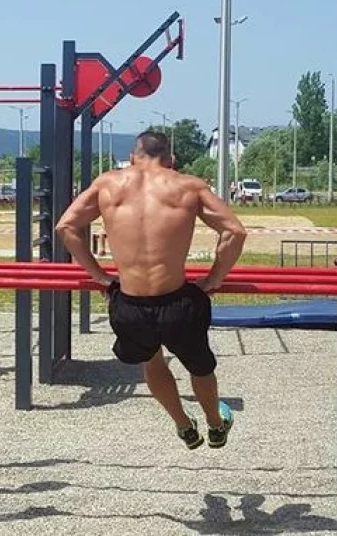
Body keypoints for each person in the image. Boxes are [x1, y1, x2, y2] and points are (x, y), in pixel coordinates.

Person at [55, 131, 247, 450]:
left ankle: (184, 425)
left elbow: (66, 227)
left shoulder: (107, 184)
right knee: (200, 367)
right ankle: (215, 423)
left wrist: (100, 277)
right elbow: (235, 232)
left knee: (152, 361)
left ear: (133, 157)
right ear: (170, 159)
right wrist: (214, 278)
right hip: (177, 303)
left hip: (130, 304)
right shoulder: (188, 185)